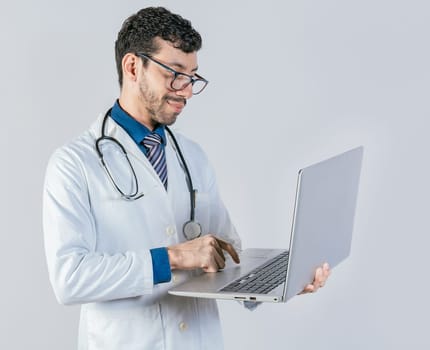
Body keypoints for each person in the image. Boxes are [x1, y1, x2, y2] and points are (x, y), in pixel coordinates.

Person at [43, 6, 330, 350]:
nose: (187, 91)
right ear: (133, 67)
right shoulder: (74, 164)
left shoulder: (192, 156)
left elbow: (225, 253)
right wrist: (174, 257)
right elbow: (69, 279)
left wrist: (279, 282)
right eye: (175, 74)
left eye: (192, 77)